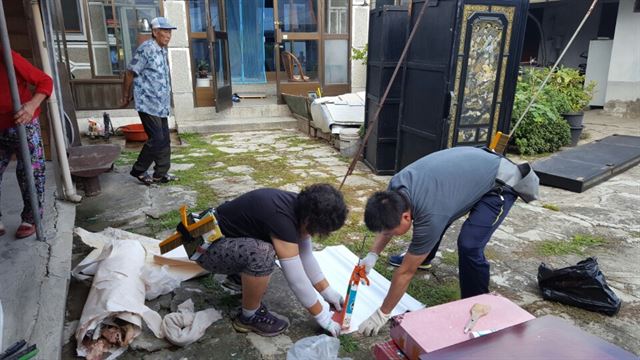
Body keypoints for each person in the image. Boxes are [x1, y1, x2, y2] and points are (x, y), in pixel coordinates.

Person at [356, 146, 540, 336]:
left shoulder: (432, 213)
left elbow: (405, 273)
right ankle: (424, 257)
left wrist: (382, 313)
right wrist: (372, 254)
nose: (388, 234)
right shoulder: (394, 189)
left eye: (390, 232)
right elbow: (389, 226)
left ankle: (477, 301)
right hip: (468, 174)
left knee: (470, 244)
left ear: (405, 217)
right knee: (432, 223)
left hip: (501, 183)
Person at [190, 184, 348, 337]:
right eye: (317, 230)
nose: (315, 234)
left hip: (219, 239)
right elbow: (297, 279)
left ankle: (238, 278)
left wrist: (328, 292)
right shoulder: (282, 217)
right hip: (205, 250)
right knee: (263, 254)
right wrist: (323, 317)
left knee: (263, 249)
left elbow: (305, 256)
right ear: (309, 220)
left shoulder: (301, 206)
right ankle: (249, 316)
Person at [0, 49, 52, 239]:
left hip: (22, 123)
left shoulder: (6, 56)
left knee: (30, 171)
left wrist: (31, 105)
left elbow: (45, 81)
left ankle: (31, 218)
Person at [122, 17, 178, 185]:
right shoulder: (146, 48)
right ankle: (138, 170)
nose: (168, 35)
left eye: (170, 32)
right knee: (156, 139)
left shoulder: (161, 49)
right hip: (147, 103)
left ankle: (160, 173)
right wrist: (125, 96)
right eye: (165, 31)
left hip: (160, 104)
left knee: (165, 139)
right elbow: (129, 73)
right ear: (155, 32)